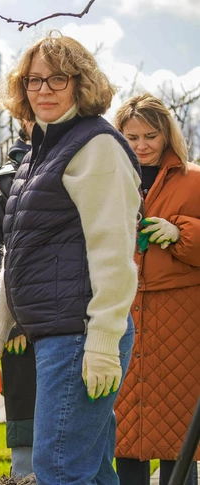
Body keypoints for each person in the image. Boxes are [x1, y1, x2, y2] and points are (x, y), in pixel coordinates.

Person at [0, 31, 142, 485]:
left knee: (59, 471)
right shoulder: (37, 154)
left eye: (57, 79)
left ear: (80, 83)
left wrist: (104, 339)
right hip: (57, 334)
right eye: (33, 80)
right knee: (94, 473)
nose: (43, 89)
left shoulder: (96, 146)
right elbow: (19, 254)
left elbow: (114, 252)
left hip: (80, 336)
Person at [113, 93, 200, 485]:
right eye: (131, 137)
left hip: (181, 318)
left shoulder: (194, 180)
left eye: (150, 135)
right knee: (125, 429)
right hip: (121, 310)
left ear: (167, 135)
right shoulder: (108, 181)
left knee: (178, 430)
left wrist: (182, 231)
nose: (142, 145)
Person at [0, 119, 36, 479]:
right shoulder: (6, 182)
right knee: (27, 417)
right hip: (21, 328)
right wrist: (9, 323)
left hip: (71, 321)